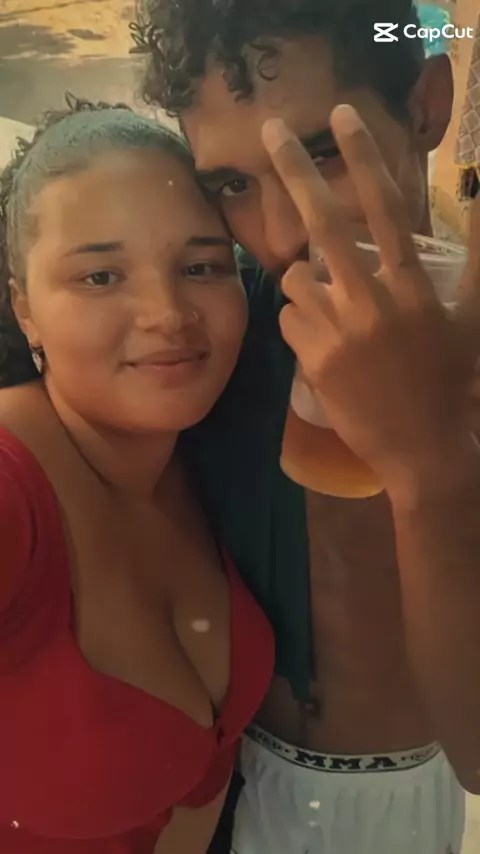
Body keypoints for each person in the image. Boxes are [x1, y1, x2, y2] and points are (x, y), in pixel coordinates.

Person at [136, 1, 480, 852]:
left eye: (320, 154)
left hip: (402, 802)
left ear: (425, 107)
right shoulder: (216, 328)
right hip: (227, 786)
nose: (285, 234)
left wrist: (432, 464)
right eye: (234, 186)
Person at [0, 96, 274, 854]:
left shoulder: (202, 454)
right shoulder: (13, 487)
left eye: (200, 266)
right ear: (26, 310)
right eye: (100, 275)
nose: (167, 313)